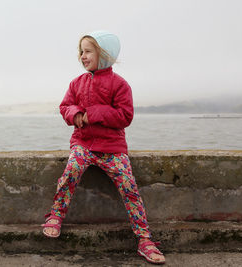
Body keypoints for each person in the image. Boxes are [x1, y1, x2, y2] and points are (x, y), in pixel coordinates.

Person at [41, 31, 165, 265]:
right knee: (70, 173)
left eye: (88, 51)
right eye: (81, 51)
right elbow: (65, 106)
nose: (82, 56)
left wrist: (94, 114)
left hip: (113, 149)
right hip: (84, 144)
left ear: (103, 55)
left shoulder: (120, 85)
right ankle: (56, 214)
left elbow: (125, 115)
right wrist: (76, 114)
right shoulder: (77, 83)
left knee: (129, 187)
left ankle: (144, 239)